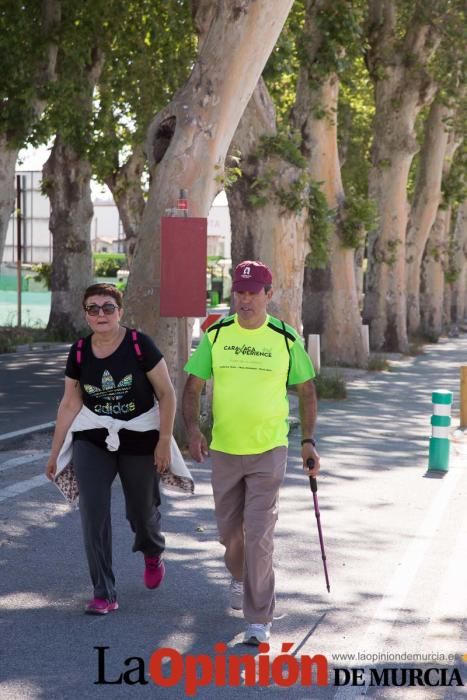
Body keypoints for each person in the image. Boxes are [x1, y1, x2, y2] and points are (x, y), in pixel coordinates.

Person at [182, 260, 320, 644]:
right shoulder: (216, 334)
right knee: (231, 535)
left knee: (259, 533)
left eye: (252, 292)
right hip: (224, 449)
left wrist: (308, 441)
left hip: (269, 448)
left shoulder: (285, 337)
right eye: (239, 292)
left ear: (268, 295)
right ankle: (240, 575)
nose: (245, 300)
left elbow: (307, 390)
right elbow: (192, 388)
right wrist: (193, 431)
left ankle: (258, 619)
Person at [46, 283, 176, 615]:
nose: (100, 314)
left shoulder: (138, 345)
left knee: (142, 513)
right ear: (85, 314)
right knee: (92, 512)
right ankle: (104, 592)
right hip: (92, 438)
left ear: (120, 312)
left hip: (139, 438)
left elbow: (167, 394)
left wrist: (163, 442)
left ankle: (151, 549)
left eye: (107, 308)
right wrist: (55, 451)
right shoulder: (79, 351)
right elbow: (69, 403)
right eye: (93, 308)